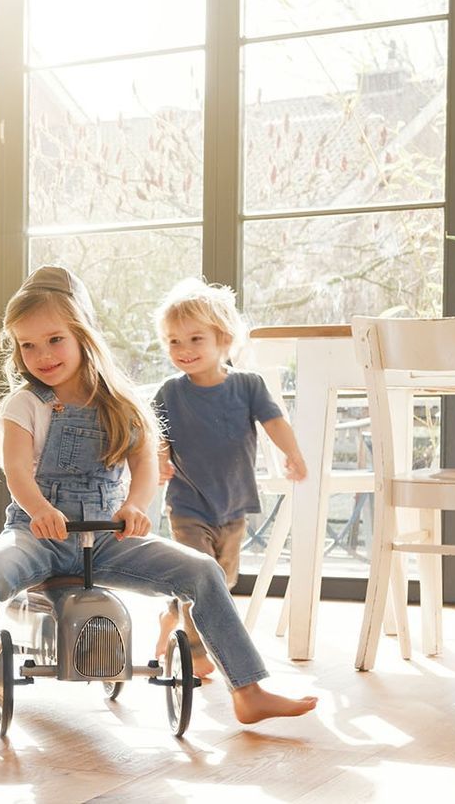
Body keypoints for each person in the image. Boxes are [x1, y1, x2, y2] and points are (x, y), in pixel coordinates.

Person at [0, 267, 316, 725]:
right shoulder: (26, 404)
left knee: (202, 570)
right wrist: (39, 510)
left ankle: (249, 689)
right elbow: (17, 470)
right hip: (37, 535)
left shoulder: (120, 402)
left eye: (55, 339)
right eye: (28, 345)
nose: (42, 355)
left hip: (105, 536)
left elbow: (144, 463)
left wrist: (135, 505)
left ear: (83, 336)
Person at [151, 278, 308, 681]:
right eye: (173, 342)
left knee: (221, 582)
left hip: (234, 504)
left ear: (223, 339)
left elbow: (275, 420)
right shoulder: (169, 393)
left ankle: (169, 617)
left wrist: (292, 453)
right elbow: (159, 438)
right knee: (196, 576)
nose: (183, 350)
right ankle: (197, 650)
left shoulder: (248, 385)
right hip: (187, 504)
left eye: (194, 339)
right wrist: (161, 462)